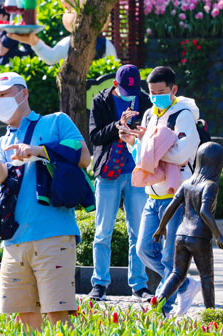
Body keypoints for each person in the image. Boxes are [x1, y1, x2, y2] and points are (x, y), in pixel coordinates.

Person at [0, 72, 91, 331]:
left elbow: (84, 157)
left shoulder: (56, 122)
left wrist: (38, 151)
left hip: (54, 236)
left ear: (23, 94)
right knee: (24, 321)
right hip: (14, 243)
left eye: (3, 94)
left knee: (58, 315)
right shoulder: (0, 143)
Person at [121, 66, 201, 316]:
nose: (156, 96)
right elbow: (143, 160)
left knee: (169, 257)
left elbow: (183, 153)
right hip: (152, 195)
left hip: (176, 195)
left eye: (161, 92)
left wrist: (152, 144)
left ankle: (162, 309)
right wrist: (133, 142)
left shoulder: (183, 115)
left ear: (174, 89)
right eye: (152, 92)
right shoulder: (147, 115)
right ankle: (185, 284)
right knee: (143, 250)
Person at [87, 65, 152, 301]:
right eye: (125, 90)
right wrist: (117, 125)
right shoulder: (100, 101)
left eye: (133, 91)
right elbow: (94, 136)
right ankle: (100, 283)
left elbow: (153, 134)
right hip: (107, 174)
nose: (130, 95)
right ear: (115, 85)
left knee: (138, 231)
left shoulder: (144, 101)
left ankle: (139, 285)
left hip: (136, 172)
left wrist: (138, 132)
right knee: (103, 231)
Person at [152, 142, 223, 311]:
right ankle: (210, 316)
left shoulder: (188, 183)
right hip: (199, 237)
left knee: (177, 274)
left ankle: (158, 305)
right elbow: (205, 211)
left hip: (180, 235)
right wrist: (217, 234)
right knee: (206, 277)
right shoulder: (210, 185)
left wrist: (161, 227)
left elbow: (171, 206)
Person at [7, 2, 117, 66]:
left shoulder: (72, 42)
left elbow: (51, 58)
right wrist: (33, 41)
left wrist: (34, 42)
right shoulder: (105, 44)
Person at [0, 3, 32, 69]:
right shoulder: (0, 33)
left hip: (8, 72)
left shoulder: (11, 33)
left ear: (5, 17)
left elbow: (1, 52)